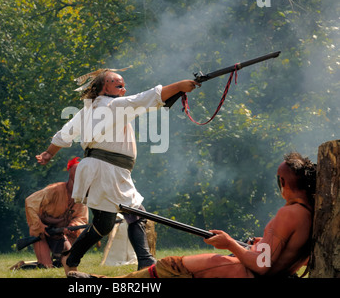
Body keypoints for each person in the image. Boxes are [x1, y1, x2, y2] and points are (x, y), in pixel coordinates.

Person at [36, 68, 199, 275]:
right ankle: (145, 264)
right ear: (102, 87)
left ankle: (73, 257)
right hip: (105, 170)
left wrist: (49, 154)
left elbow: (63, 134)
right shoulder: (114, 106)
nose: (123, 88)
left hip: (107, 170)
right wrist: (179, 86)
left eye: (123, 85)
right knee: (136, 215)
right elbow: (146, 98)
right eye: (118, 84)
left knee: (107, 223)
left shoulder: (89, 109)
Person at [69, 152, 316, 278]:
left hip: (244, 273)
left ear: (283, 181)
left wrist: (229, 243)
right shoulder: (307, 214)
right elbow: (285, 258)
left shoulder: (289, 214)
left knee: (169, 267)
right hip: (250, 271)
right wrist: (259, 246)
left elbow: (262, 267)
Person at [18, 157, 88, 269]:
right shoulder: (54, 190)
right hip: (42, 233)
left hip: (61, 234)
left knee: (67, 262)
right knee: (46, 267)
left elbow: (81, 218)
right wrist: (39, 226)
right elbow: (30, 202)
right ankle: (22, 267)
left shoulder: (82, 196)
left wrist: (73, 226)